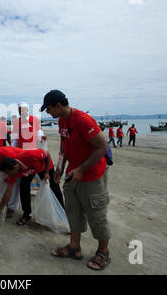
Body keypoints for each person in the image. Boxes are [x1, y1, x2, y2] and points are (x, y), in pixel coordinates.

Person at [41, 90, 111, 271]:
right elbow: (64, 146)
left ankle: (103, 251)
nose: (47, 113)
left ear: (58, 105)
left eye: (48, 109)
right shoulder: (62, 121)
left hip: (92, 174)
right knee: (72, 210)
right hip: (74, 174)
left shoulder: (82, 119)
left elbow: (102, 147)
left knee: (96, 214)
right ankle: (74, 247)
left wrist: (81, 169)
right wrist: (59, 168)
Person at [0, 149, 65, 226]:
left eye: (9, 173)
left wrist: (46, 172)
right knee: (23, 188)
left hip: (44, 167)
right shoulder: (13, 172)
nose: (9, 175)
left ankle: (62, 212)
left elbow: (47, 154)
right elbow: (9, 190)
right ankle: (27, 214)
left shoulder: (30, 156)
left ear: (15, 167)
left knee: (54, 187)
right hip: (29, 171)